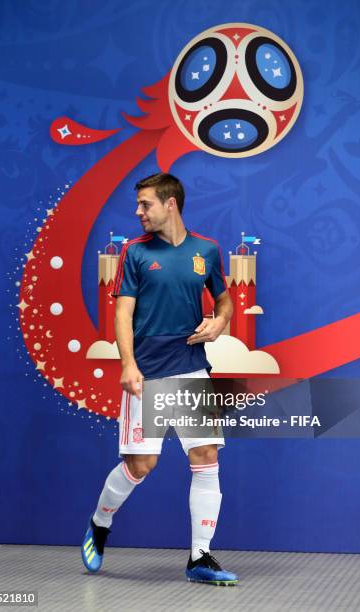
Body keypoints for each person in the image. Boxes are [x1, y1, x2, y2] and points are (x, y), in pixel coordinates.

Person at [81, 173, 238, 585]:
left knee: (206, 458)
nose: (138, 212)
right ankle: (100, 522)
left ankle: (200, 558)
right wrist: (127, 364)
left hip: (191, 368)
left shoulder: (206, 250)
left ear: (171, 204)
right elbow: (122, 314)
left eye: (145, 204)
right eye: (138, 204)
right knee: (141, 464)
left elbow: (224, 299)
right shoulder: (134, 252)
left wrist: (220, 322)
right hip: (147, 373)